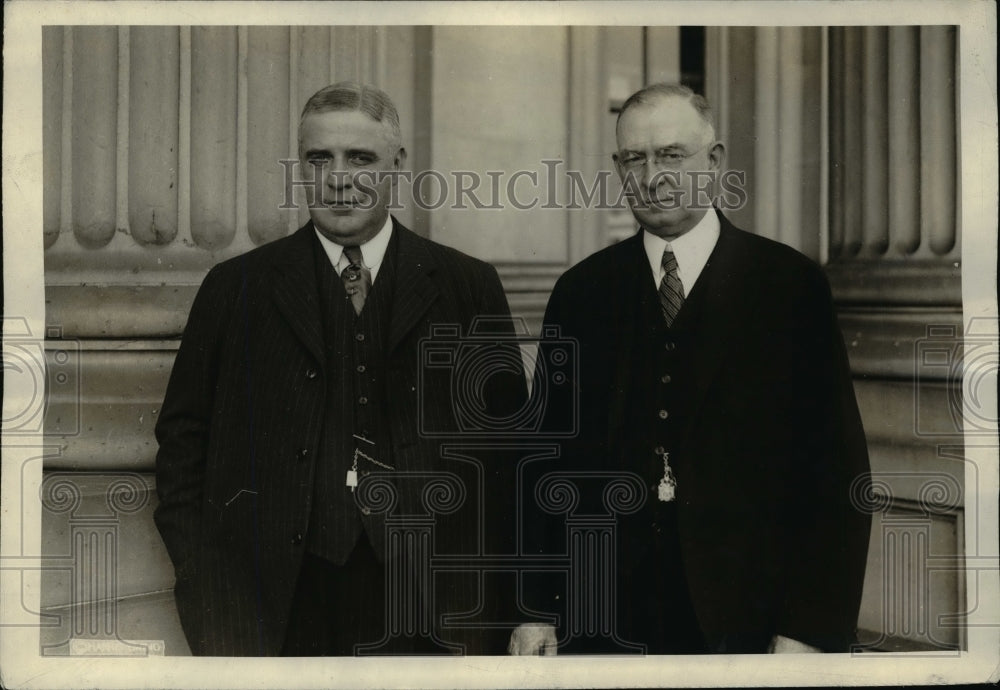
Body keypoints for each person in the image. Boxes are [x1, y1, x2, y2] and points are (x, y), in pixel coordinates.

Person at [154, 82, 526, 656]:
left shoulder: (467, 286)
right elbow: (183, 447)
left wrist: (514, 608)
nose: (338, 179)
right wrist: (207, 589)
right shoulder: (236, 288)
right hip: (277, 609)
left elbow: (512, 460)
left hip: (432, 608)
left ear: (397, 165)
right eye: (319, 158)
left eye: (361, 158)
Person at [509, 83, 872, 655]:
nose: (653, 176)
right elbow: (543, 466)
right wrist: (536, 611)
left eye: (672, 155)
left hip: (746, 623)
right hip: (602, 623)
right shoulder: (581, 292)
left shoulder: (790, 286)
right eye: (635, 159)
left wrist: (808, 631)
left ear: (715, 161)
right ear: (618, 169)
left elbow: (834, 471)